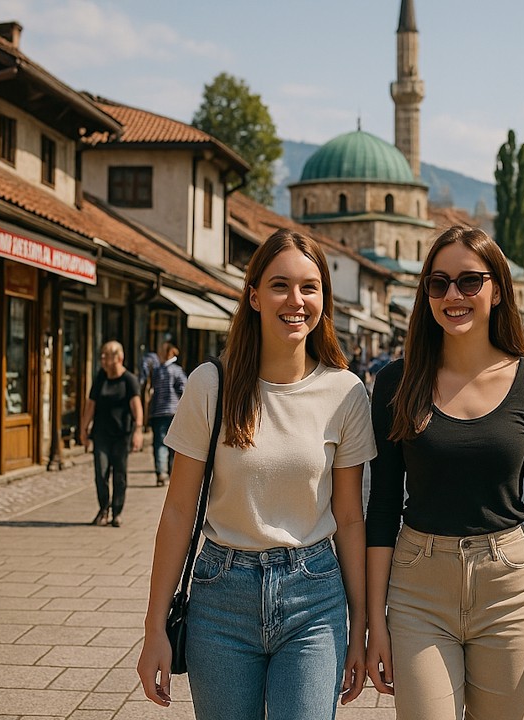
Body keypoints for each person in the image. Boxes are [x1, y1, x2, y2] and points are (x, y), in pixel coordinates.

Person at [136, 230, 375, 717]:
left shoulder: (346, 392)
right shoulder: (211, 384)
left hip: (315, 597)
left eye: (309, 287)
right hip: (221, 598)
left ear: (323, 299)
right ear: (254, 296)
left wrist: (361, 627)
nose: (296, 300)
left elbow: (350, 518)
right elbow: (179, 511)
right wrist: (154, 628)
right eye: (280, 285)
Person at [365, 226, 524, 718]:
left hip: (507, 588)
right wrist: (374, 623)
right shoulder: (397, 382)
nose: (453, 295)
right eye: (438, 283)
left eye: (470, 281)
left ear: (498, 289)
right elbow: (380, 505)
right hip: (418, 585)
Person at [80, 341, 143, 527]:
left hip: (121, 435)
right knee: (101, 472)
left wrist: (138, 431)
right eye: (102, 356)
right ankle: (103, 509)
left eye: (106, 356)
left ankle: (117, 512)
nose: (103, 360)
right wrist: (84, 429)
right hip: (101, 434)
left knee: (119, 475)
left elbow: (137, 408)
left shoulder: (129, 380)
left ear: (119, 358)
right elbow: (91, 405)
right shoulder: (100, 378)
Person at [147, 341, 187, 486]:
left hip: (158, 412)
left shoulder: (157, 371)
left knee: (159, 443)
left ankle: (161, 473)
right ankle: (172, 472)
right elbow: (184, 388)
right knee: (174, 444)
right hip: (174, 412)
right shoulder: (177, 370)